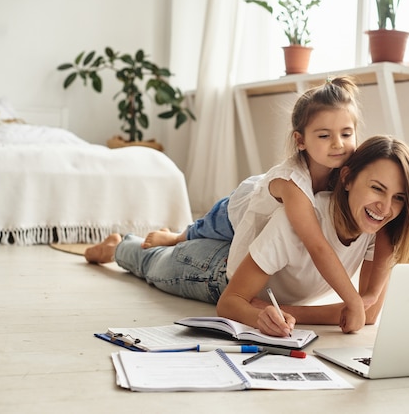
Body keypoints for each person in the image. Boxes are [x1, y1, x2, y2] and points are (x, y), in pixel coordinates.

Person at [84, 135, 409, 336]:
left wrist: (278, 310)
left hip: (260, 271)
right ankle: (121, 245)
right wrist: (254, 311)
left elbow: (366, 313)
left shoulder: (383, 228)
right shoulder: (300, 219)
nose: (386, 207)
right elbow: (230, 302)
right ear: (347, 178)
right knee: (151, 263)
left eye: (399, 197)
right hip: (220, 270)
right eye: (377, 189)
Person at [140, 76, 374, 333]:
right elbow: (316, 245)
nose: (338, 143)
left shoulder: (344, 173)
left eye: (346, 133)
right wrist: (353, 300)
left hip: (266, 227)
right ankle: (175, 236)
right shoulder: (293, 185)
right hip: (237, 211)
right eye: (324, 135)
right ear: (300, 141)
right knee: (199, 230)